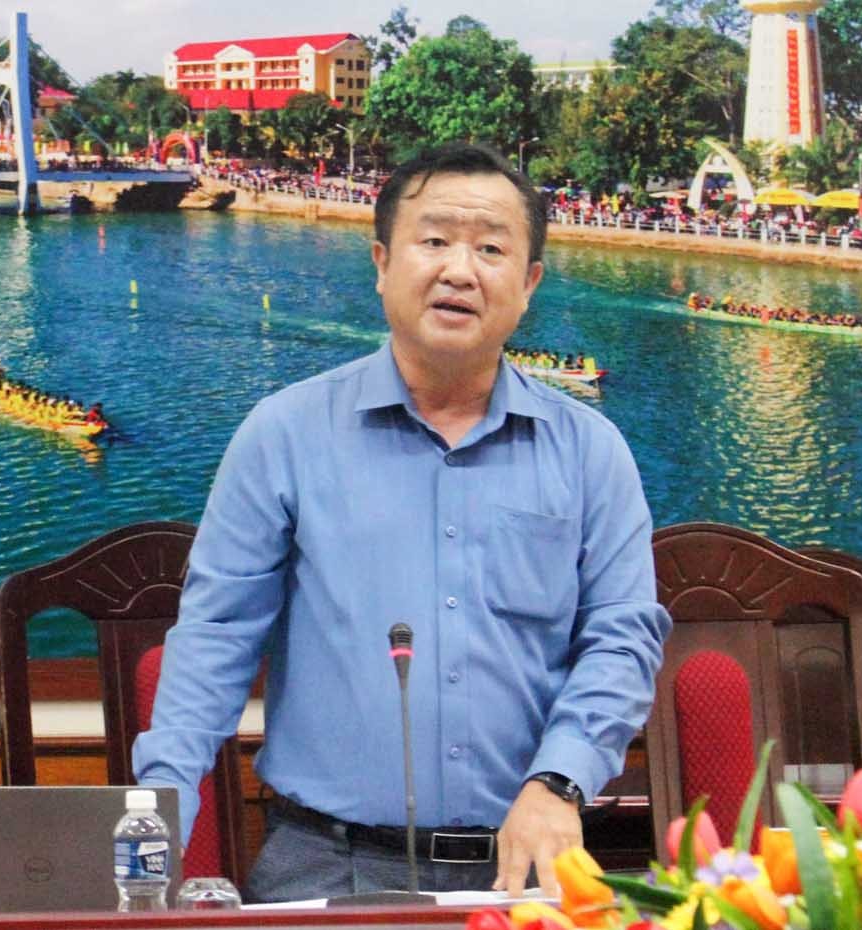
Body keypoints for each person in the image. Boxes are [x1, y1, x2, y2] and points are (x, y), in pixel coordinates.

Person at [132, 142, 670, 903]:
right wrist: (154, 827)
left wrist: (560, 780)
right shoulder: (284, 433)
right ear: (382, 263)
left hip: (527, 865)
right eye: (435, 240)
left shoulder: (590, 450)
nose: (460, 270)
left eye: (491, 249)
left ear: (528, 285)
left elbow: (621, 638)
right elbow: (216, 639)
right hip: (325, 861)